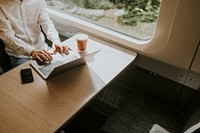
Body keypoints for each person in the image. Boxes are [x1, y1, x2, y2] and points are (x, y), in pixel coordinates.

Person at [0, 0, 70, 68]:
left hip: (44, 49)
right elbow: (6, 35)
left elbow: (46, 23)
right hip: (20, 55)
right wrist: (31, 51)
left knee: (63, 70)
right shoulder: (1, 5)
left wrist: (55, 40)